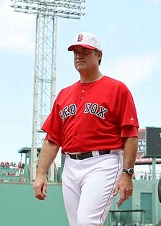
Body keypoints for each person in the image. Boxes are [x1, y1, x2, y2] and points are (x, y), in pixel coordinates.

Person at [32, 32, 140, 226]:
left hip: (103, 162)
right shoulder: (65, 94)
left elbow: (130, 135)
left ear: (99, 55)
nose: (79, 56)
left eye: (85, 51)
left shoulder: (117, 89)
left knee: (87, 222)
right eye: (75, 52)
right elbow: (52, 139)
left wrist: (127, 173)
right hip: (70, 165)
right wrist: (41, 173)